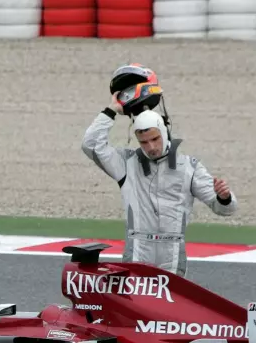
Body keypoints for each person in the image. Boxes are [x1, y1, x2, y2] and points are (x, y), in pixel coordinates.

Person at [81, 78, 238, 279]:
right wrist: (111, 110)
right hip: (137, 253)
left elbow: (226, 209)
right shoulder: (126, 164)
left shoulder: (190, 167)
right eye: (144, 142)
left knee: (169, 311)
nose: (151, 147)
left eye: (155, 139)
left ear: (164, 132)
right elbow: (91, 145)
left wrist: (224, 197)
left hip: (172, 257)